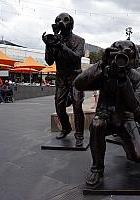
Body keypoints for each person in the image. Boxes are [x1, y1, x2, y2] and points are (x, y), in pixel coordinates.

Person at [74, 40, 140, 186]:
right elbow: (79, 83)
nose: (124, 53)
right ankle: (97, 168)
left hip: (125, 118)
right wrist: (101, 63)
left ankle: (127, 143)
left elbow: (134, 106)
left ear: (133, 57)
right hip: (104, 115)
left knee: (138, 157)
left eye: (128, 51)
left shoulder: (139, 79)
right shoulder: (104, 73)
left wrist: (123, 79)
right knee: (97, 124)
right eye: (119, 50)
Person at [42, 13, 85, 146]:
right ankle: (66, 128)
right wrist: (49, 45)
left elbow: (76, 58)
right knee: (59, 106)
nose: (61, 22)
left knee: (77, 105)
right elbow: (49, 62)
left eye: (65, 20)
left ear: (71, 24)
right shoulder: (53, 40)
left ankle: (79, 134)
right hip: (61, 77)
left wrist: (62, 46)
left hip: (76, 76)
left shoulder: (79, 40)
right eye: (58, 20)